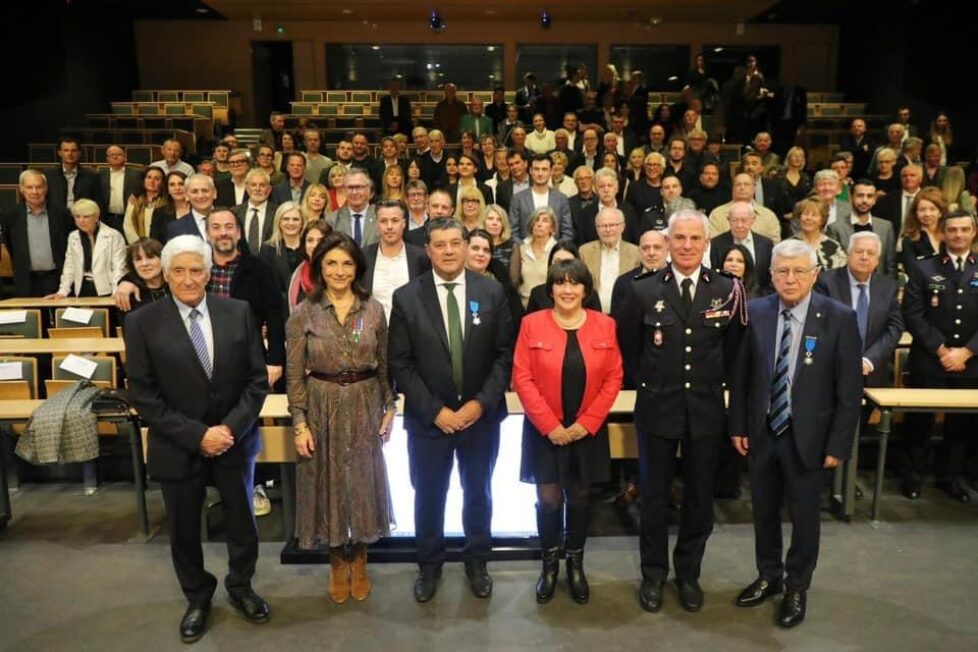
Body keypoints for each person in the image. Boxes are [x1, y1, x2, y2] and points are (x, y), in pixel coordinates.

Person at [124, 235, 271, 643]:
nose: (188, 279)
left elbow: (256, 382)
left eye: (196, 270)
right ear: (165, 275)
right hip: (178, 444)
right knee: (184, 529)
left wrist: (227, 430)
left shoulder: (238, 311)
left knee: (242, 523)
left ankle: (242, 587)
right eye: (179, 271)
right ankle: (197, 597)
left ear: (209, 273)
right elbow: (143, 395)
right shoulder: (141, 323)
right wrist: (197, 435)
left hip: (233, 440)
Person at [615, 209, 747, 614]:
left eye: (695, 239)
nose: (687, 246)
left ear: (707, 244)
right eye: (680, 238)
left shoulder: (727, 289)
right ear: (667, 242)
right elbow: (629, 351)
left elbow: (735, 353)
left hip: (705, 410)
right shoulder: (641, 289)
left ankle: (688, 574)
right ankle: (653, 574)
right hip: (657, 407)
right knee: (653, 498)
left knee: (698, 499)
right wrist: (654, 382)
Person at [730, 239, 862, 629]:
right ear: (770, 275)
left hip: (811, 438)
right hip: (763, 431)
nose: (790, 279)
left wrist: (839, 443)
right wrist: (738, 424)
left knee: (805, 517)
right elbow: (740, 378)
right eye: (782, 271)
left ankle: (797, 586)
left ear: (814, 274)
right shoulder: (753, 312)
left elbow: (849, 390)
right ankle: (769, 575)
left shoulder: (838, 317)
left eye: (798, 271)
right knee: (763, 511)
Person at [388, 218, 515, 603]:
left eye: (455, 243)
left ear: (466, 246)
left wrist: (479, 403)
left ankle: (477, 561)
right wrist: (435, 412)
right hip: (430, 422)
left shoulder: (492, 293)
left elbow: (504, 355)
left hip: (481, 418)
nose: (448, 251)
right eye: (439, 244)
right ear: (428, 250)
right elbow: (400, 363)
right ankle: (429, 565)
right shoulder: (407, 297)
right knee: (428, 495)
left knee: (479, 492)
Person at [286, 231, 395, 603]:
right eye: (331, 262)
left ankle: (360, 560)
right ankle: (336, 561)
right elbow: (294, 374)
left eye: (347, 263)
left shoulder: (374, 310)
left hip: (365, 403)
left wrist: (390, 407)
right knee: (327, 483)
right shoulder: (303, 313)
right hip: (320, 404)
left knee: (362, 483)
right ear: (319, 267)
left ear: (357, 268)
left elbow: (384, 367)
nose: (339, 270)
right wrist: (299, 423)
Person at [512, 258, 622, 604]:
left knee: (579, 495)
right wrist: (551, 426)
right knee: (547, 498)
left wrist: (585, 425)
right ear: (551, 289)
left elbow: (614, 377)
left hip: (585, 431)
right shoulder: (531, 324)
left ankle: (575, 562)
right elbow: (522, 377)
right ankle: (549, 564)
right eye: (561, 283)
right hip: (545, 430)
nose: (568, 289)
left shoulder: (605, 325)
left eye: (575, 283)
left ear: (586, 290)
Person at [901, 210, 978, 503]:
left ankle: (952, 477)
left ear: (973, 233)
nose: (958, 235)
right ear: (943, 234)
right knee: (919, 422)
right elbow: (913, 314)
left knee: (960, 425)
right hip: (930, 358)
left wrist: (967, 351)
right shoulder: (923, 268)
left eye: (964, 229)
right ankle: (913, 476)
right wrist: (942, 350)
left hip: (971, 361)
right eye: (953, 230)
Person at [815, 231, 904, 390]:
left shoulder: (888, 286)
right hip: (832, 370)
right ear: (848, 255)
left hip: (871, 370)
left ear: (877, 260)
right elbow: (819, 325)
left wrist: (869, 360)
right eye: (859, 251)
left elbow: (894, 328)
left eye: (870, 253)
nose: (864, 257)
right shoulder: (826, 282)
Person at [2, 169, 72, 297]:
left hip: (57, 277)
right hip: (26, 279)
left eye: (39, 187)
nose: (35, 192)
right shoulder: (11, 216)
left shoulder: (62, 214)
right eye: (29, 187)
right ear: (22, 189)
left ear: (45, 188)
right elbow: (10, 245)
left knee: (58, 315)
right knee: (30, 316)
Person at [362, 199, 430, 321]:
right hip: (373, 332)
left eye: (395, 221)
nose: (389, 227)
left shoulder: (420, 257)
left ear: (404, 223)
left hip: (410, 332)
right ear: (377, 224)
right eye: (384, 221)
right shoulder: (364, 256)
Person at [47, 199, 127, 299]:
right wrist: (63, 291)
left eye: (86, 217)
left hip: (107, 289)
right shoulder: (73, 237)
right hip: (82, 288)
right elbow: (69, 266)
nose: (81, 221)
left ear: (96, 218)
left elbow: (119, 266)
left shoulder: (113, 235)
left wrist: (117, 291)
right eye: (77, 217)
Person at [826, 179, 897, 278]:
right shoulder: (835, 228)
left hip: (879, 287)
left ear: (875, 199)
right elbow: (833, 265)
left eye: (869, 196)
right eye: (860, 195)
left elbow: (891, 265)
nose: (865, 200)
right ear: (851, 198)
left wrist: (889, 290)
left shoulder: (886, 227)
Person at [579, 207, 641, 313]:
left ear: (622, 226)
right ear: (597, 229)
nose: (607, 230)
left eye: (612, 225)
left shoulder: (636, 253)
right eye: (603, 226)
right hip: (593, 314)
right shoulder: (585, 251)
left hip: (626, 313)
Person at [709, 201, 774, 294]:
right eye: (734, 220)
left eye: (743, 220)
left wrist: (760, 300)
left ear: (753, 220)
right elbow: (713, 276)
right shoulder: (716, 244)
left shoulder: (766, 244)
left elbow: (770, 279)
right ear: (728, 220)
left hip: (758, 301)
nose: (739, 225)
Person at [509, 154, 574, 241]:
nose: (540, 173)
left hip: (554, 252)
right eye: (536, 169)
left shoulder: (561, 199)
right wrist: (525, 250)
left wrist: (555, 250)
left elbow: (567, 232)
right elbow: (513, 232)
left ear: (551, 171)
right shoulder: (518, 199)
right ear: (531, 171)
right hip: (525, 252)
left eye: (544, 169)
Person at [513, 207, 559, 308]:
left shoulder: (558, 251)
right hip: (523, 306)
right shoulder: (522, 250)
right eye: (536, 220)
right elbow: (515, 280)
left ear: (552, 228)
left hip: (549, 306)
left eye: (545, 220)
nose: (539, 224)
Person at [260, 202, 305, 296]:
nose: (291, 223)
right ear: (279, 222)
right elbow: (264, 283)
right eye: (286, 219)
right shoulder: (267, 249)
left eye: (295, 219)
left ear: (302, 223)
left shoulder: (310, 247)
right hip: (278, 305)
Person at [791, 198, 847, 271]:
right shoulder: (788, 245)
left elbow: (841, 275)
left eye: (814, 215)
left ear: (822, 220)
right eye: (805, 214)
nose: (809, 218)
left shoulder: (834, 247)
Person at [899, 186, 945, 274]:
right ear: (915, 213)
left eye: (932, 209)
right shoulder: (910, 240)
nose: (927, 214)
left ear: (940, 212)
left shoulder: (950, 235)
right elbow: (912, 271)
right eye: (922, 210)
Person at [327, 169, 378, 248]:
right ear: (344, 190)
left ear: (369, 190)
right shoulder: (332, 220)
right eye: (350, 187)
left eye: (359, 187)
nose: (354, 192)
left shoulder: (381, 216)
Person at [288, 220, 330, 312]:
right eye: (310, 240)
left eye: (321, 241)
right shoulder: (296, 276)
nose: (315, 245)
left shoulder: (339, 275)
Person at [98, 145, 142, 232]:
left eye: (119, 154)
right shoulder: (100, 175)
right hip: (106, 219)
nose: (115, 156)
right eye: (112, 155)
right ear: (107, 158)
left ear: (125, 157)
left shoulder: (136, 174)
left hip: (128, 218)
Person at [120, 237, 169, 313]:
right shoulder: (129, 294)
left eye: (150, 257)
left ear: (163, 259)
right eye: (138, 259)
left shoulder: (175, 286)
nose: (144, 263)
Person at [122, 167, 168, 245]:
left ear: (162, 183)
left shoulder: (166, 202)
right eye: (149, 177)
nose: (152, 181)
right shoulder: (134, 200)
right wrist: (139, 245)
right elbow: (128, 226)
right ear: (143, 180)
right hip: (138, 245)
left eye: (157, 179)